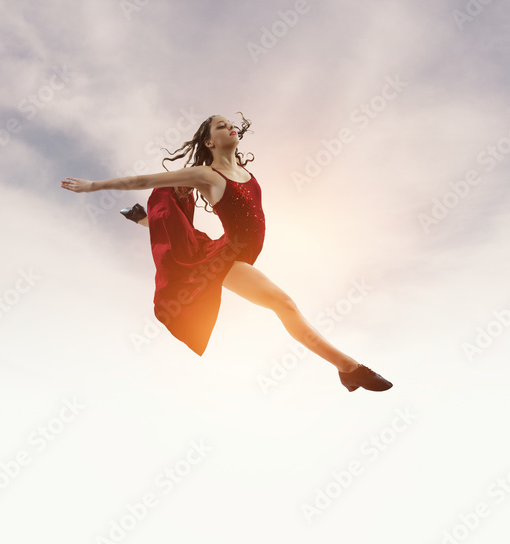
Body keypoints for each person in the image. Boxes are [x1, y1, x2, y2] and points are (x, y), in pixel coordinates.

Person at [61, 113, 391, 392]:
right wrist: (93, 186)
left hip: (236, 250)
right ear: (209, 142)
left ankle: (143, 219)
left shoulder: (246, 173)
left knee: (195, 243)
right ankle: (348, 368)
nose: (230, 127)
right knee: (284, 304)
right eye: (220, 126)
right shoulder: (207, 175)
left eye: (231, 124)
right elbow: (143, 179)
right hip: (229, 256)